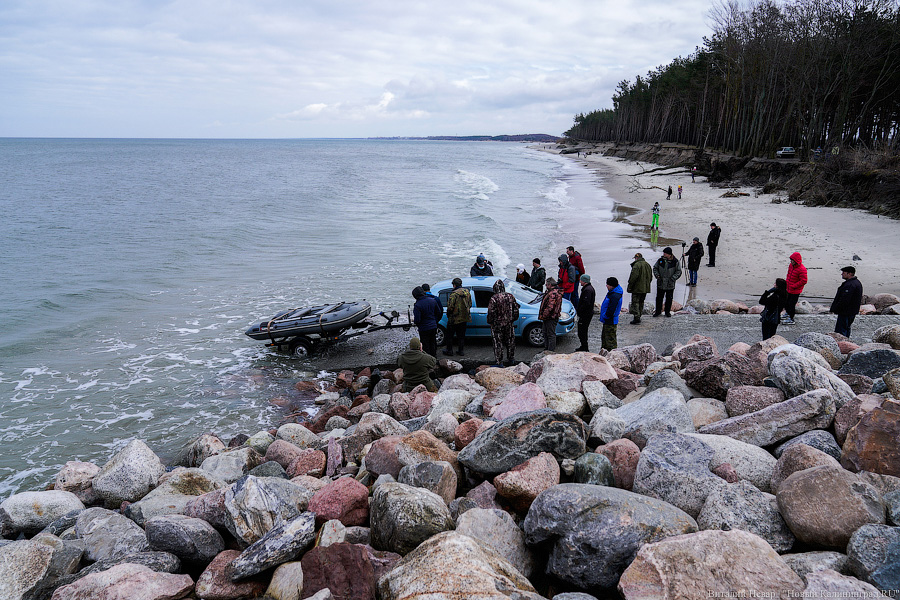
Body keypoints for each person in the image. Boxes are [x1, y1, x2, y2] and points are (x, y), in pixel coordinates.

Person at [486, 279, 519, 367]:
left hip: (497, 325)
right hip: (509, 323)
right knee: (510, 341)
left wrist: (490, 322)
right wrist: (512, 319)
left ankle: (499, 362)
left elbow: (491, 312)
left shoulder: (494, 298)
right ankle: (511, 359)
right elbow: (516, 310)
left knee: (498, 343)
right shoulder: (510, 296)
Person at [830, 266, 863, 337]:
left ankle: (842, 342)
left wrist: (836, 308)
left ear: (849, 274)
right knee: (846, 328)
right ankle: (846, 341)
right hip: (851, 311)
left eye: (843, 272)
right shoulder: (856, 283)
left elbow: (844, 299)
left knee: (841, 331)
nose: (842, 274)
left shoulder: (850, 284)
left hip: (846, 312)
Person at [412, 286, 443, 357]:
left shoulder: (417, 305)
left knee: (426, 345)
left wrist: (418, 324)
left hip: (424, 328)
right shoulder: (433, 300)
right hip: (433, 326)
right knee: (433, 343)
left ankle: (427, 359)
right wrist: (435, 321)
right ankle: (434, 357)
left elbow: (417, 319)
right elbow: (438, 313)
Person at [443, 277, 471, 356]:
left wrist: (448, 314)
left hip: (454, 318)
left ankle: (449, 351)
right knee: (461, 336)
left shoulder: (454, 294)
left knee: (449, 336)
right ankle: (461, 351)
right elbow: (470, 304)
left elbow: (450, 307)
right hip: (464, 318)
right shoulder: (467, 292)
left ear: (454, 285)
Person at [652, 247, 682, 317]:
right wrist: (657, 275)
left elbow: (679, 271)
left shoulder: (675, 261)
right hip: (661, 283)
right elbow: (655, 268)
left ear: (669, 254)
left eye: (665, 253)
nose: (664, 254)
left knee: (669, 299)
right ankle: (658, 311)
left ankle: (667, 312)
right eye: (664, 253)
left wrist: (673, 278)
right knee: (659, 298)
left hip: (670, 284)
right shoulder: (660, 260)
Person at [627, 252, 653, 324]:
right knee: (641, 302)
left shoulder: (636, 265)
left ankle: (636, 317)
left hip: (637, 288)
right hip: (645, 288)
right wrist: (647, 285)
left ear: (636, 258)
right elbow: (650, 277)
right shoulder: (647, 265)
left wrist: (630, 286)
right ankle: (639, 315)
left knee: (635, 302)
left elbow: (633, 277)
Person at [599, 277, 624, 350]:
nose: (606, 286)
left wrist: (605, 316)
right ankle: (604, 353)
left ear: (611, 285)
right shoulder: (613, 293)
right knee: (605, 339)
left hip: (610, 320)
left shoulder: (615, 296)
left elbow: (612, 309)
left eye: (607, 284)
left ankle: (611, 354)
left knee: (610, 341)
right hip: (608, 320)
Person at [783, 252, 808, 324]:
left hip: (795, 290)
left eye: (792, 260)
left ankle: (791, 318)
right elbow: (788, 275)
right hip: (788, 288)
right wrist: (786, 284)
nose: (791, 261)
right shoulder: (791, 266)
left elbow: (804, 281)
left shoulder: (802, 269)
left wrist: (794, 286)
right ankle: (787, 313)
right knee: (786, 302)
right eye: (790, 260)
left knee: (791, 304)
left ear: (796, 261)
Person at [539, 278, 563, 351]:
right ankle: (547, 349)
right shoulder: (552, 292)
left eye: (546, 284)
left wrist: (543, 315)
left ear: (550, 284)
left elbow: (550, 307)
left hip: (550, 317)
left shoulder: (553, 294)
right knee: (546, 333)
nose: (545, 285)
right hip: (550, 317)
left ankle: (550, 351)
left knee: (550, 334)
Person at [575, 274, 596, 352]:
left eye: (581, 280)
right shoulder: (589, 288)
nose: (580, 281)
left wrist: (580, 311)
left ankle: (584, 347)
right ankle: (584, 346)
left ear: (584, 281)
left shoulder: (587, 290)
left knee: (582, 331)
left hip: (585, 314)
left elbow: (586, 303)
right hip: (587, 313)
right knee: (583, 330)